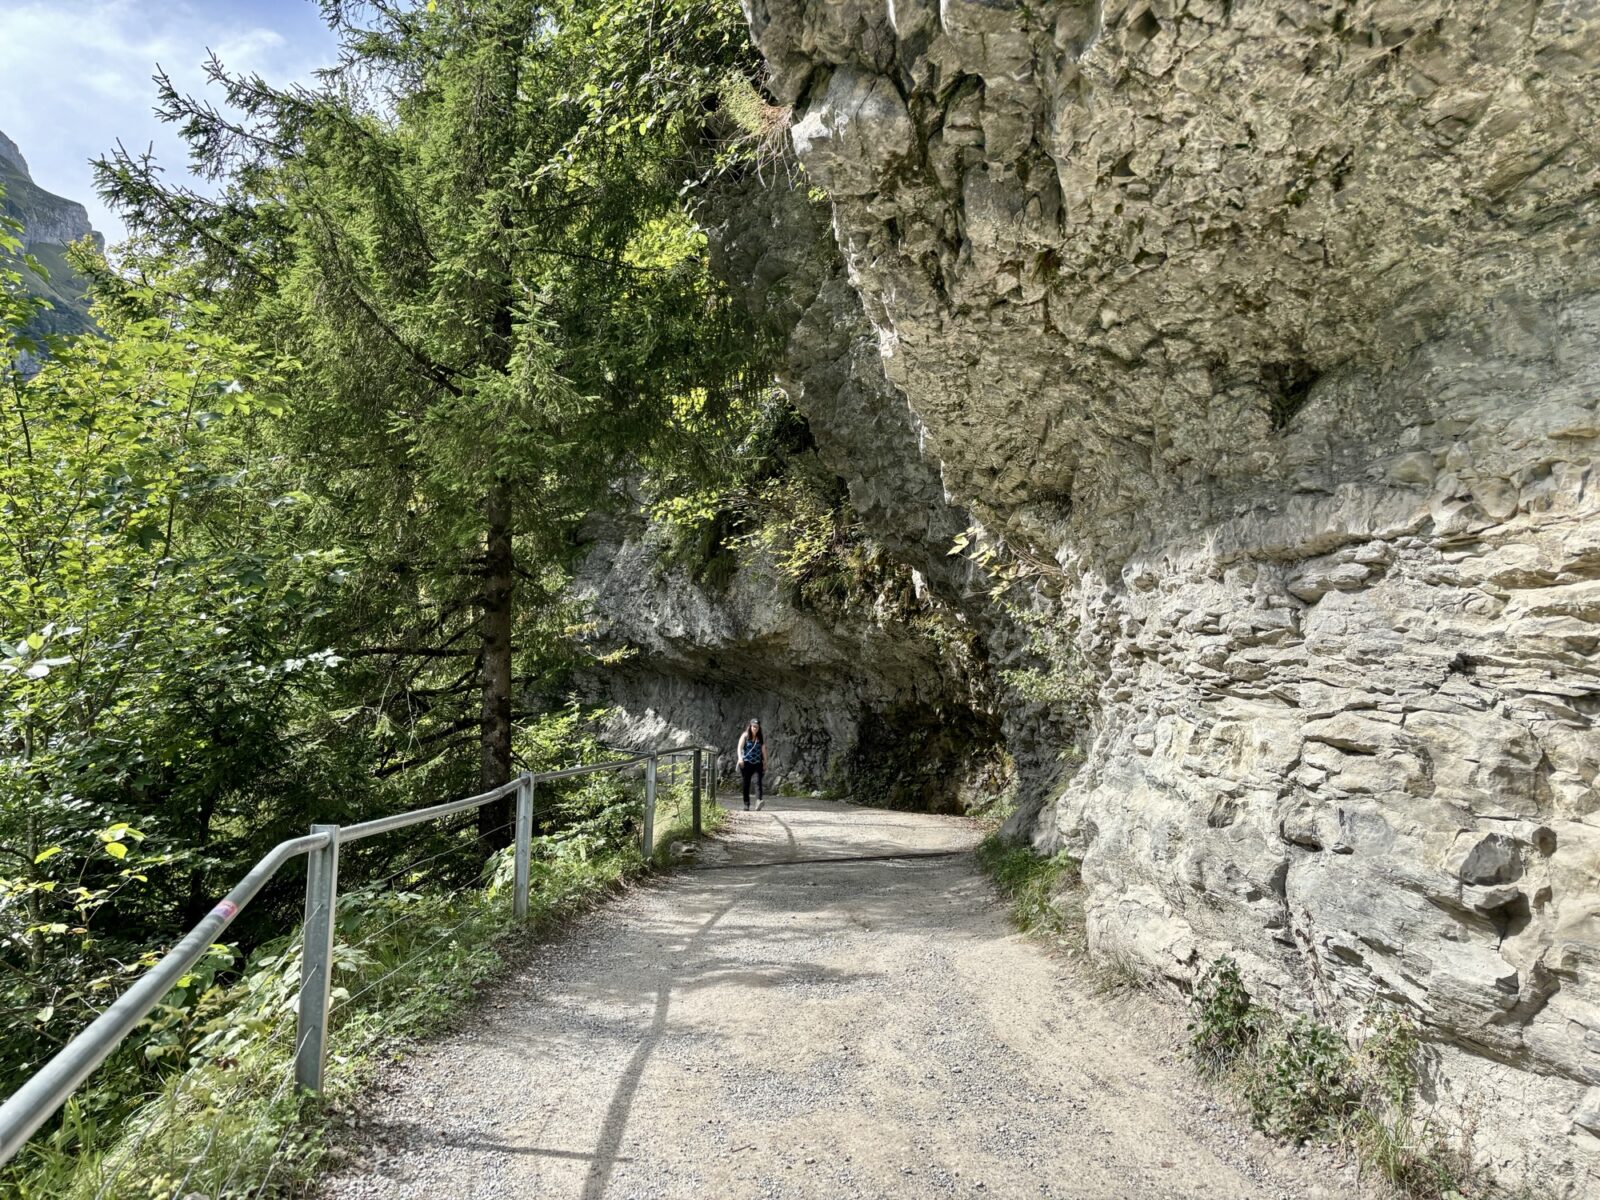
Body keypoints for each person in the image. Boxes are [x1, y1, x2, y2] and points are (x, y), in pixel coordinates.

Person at [736, 718, 766, 810]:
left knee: (758, 782)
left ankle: (758, 801)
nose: (755, 729)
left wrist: (765, 761)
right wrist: (740, 758)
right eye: (754, 727)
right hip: (746, 763)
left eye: (757, 727)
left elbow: (763, 750)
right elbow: (739, 748)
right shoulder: (745, 736)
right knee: (746, 783)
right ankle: (746, 804)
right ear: (750, 726)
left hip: (757, 763)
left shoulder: (760, 737)